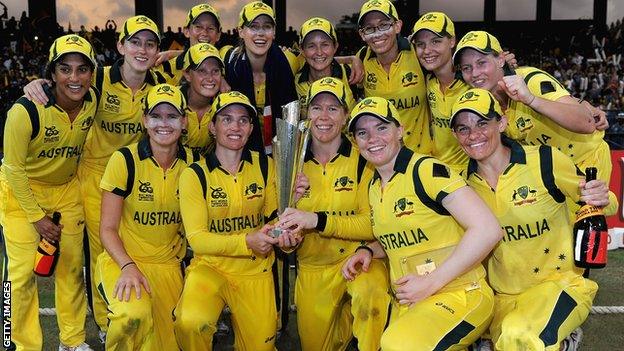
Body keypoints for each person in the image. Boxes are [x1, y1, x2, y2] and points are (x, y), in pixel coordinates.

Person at [23, 15, 169, 339]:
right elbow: (61, 86)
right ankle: (105, 324)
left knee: (131, 248)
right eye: (135, 42)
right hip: (94, 181)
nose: (142, 50)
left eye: (150, 44)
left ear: (157, 50)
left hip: (134, 180)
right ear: (121, 45)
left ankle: (144, 305)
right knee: (100, 252)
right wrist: (34, 82)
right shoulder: (99, 78)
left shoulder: (159, 86)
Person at [449, 87, 610, 351]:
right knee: (508, 337)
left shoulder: (545, 160)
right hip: (504, 297)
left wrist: (600, 195)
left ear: (502, 122)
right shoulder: (460, 186)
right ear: (455, 135)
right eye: (463, 128)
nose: (473, 134)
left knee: (519, 337)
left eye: (482, 122)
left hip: (559, 286)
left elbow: (600, 200)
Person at [342, 96, 502, 350]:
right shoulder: (375, 185)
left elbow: (488, 229)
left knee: (399, 345)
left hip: (460, 293)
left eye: (381, 127)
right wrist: (368, 250)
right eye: (363, 132)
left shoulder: (426, 170)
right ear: (355, 142)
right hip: (414, 299)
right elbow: (404, 236)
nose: (372, 139)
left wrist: (432, 281)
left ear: (400, 131)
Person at [174, 91, 299, 350]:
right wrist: (246, 241)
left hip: (255, 269)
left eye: (243, 120)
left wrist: (286, 238)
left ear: (252, 128)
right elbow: (197, 240)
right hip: (211, 268)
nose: (235, 127)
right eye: (227, 119)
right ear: (212, 126)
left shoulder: (265, 166)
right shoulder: (194, 174)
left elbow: (274, 222)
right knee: (190, 323)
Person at [275, 78, 390, 351]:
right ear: (306, 114)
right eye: (316, 108)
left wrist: (317, 220)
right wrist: (288, 237)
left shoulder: (365, 159)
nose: (323, 117)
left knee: (370, 298)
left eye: (333, 109)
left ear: (345, 116)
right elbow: (280, 228)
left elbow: (372, 225)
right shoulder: (289, 161)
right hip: (314, 268)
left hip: (360, 258)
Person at [0, 34, 98, 351]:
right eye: (65, 69)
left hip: (66, 191)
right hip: (20, 192)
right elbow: (13, 168)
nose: (74, 78)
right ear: (52, 73)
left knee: (71, 269)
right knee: (22, 275)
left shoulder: (93, 100)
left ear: (91, 73)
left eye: (82, 69)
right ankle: (22, 344)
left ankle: (72, 341)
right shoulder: (25, 110)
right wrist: (36, 217)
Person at [95, 84, 199, 351]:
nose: (163, 123)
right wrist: (128, 266)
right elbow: (107, 229)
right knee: (132, 316)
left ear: (184, 121)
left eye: (172, 116)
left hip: (167, 266)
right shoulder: (125, 160)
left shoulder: (194, 164)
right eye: (156, 116)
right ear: (144, 120)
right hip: (124, 261)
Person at [453, 30, 613, 188]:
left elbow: (587, 123)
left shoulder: (530, 80)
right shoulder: (483, 101)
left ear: (500, 59)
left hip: (585, 163)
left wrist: (531, 100)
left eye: (481, 63)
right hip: (548, 173)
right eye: (467, 68)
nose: (474, 73)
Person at [356, 0, 431, 154]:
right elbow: (320, 60)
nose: (378, 33)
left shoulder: (417, 53)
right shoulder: (362, 58)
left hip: (421, 156)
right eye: (369, 29)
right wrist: (352, 59)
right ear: (362, 34)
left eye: (384, 25)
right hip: (381, 158)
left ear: (397, 26)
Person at [223, 1, 298, 154]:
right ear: (241, 31)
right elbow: (197, 59)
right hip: (240, 152)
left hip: (280, 153)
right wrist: (168, 54)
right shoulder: (229, 60)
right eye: (253, 26)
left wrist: (354, 59)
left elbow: (320, 59)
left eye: (267, 27)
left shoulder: (289, 61)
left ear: (274, 32)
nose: (261, 33)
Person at [294, 17, 356, 111]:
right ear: (302, 50)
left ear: (335, 47)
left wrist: (353, 59)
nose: (319, 52)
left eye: (325, 45)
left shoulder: (352, 73)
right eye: (311, 46)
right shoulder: (293, 80)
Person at [180, 42, 224, 155]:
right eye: (202, 71)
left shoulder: (224, 107)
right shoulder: (170, 104)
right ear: (187, 74)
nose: (210, 78)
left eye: (215, 71)